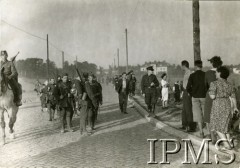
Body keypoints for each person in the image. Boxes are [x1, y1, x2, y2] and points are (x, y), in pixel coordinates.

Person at [209, 66, 239, 150]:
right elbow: (233, 97)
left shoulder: (214, 83)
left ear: (219, 73)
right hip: (227, 104)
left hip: (218, 104)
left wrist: (210, 92)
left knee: (216, 125)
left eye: (216, 72)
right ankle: (230, 142)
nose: (215, 73)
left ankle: (226, 144)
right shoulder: (230, 85)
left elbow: (212, 96)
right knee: (226, 125)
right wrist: (235, 107)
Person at [204, 56, 223, 141]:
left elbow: (205, 86)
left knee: (208, 115)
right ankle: (219, 135)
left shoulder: (207, 73)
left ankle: (211, 135)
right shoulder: (222, 72)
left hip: (210, 95)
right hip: (220, 95)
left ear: (212, 63)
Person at [187, 60, 206, 138]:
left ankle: (201, 133)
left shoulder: (192, 75)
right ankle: (211, 134)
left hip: (195, 97)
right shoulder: (205, 74)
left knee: (198, 115)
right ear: (201, 66)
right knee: (206, 114)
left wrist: (192, 94)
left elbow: (188, 88)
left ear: (195, 66)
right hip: (204, 96)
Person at [180, 60, 196, 132]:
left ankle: (191, 126)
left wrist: (190, 92)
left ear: (184, 66)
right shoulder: (186, 73)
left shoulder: (190, 73)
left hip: (188, 92)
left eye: (181, 66)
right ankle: (184, 124)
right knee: (184, 109)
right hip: (185, 92)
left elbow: (192, 84)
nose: (181, 67)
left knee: (188, 109)